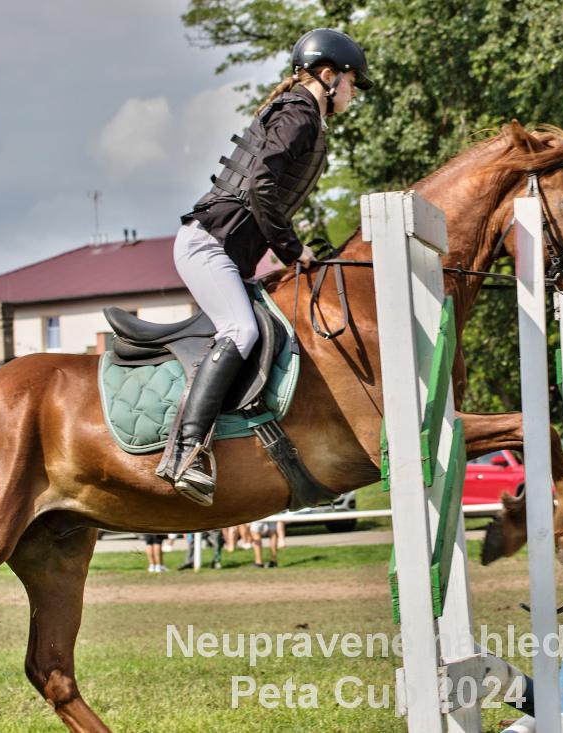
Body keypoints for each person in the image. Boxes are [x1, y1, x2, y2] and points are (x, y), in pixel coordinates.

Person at [159, 28, 373, 506]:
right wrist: (293, 251)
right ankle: (187, 451)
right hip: (208, 245)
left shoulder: (302, 116)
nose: (354, 93)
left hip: (226, 252)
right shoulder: (299, 113)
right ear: (328, 75)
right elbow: (260, 185)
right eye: (352, 82)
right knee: (241, 331)